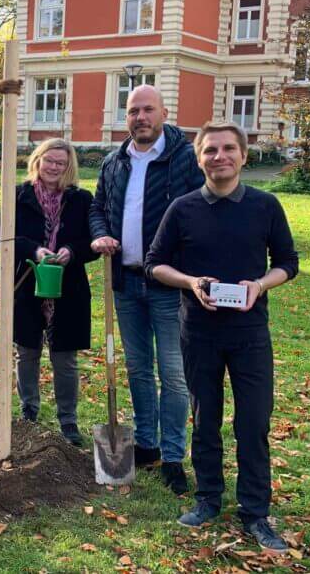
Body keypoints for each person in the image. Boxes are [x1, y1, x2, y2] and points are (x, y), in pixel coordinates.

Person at [146, 121, 299, 553]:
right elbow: (155, 263)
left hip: (250, 334)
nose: (220, 157)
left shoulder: (266, 206)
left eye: (229, 149)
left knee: (253, 423)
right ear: (199, 159)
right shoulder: (182, 208)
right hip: (199, 331)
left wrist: (260, 285)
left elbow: (288, 261)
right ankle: (208, 498)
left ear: (244, 156)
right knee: (205, 418)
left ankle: (255, 512)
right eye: (210, 150)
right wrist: (191, 282)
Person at [89, 84, 205, 495]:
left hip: (169, 285)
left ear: (164, 112)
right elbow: (97, 208)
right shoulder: (114, 161)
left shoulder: (186, 159)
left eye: (148, 109)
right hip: (125, 281)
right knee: (139, 368)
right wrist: (100, 236)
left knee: (174, 374)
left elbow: (202, 211)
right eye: (134, 110)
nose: (141, 117)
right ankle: (148, 446)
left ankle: (174, 456)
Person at [0, 138, 98, 446]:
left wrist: (70, 250)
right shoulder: (18, 195)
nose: (54, 167)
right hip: (26, 283)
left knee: (65, 358)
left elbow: (92, 241)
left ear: (69, 167)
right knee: (27, 351)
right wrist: (34, 250)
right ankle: (29, 411)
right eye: (49, 160)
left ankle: (68, 420)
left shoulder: (81, 199)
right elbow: (2, 237)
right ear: (37, 161)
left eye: (61, 163)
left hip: (69, 289)